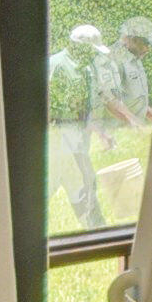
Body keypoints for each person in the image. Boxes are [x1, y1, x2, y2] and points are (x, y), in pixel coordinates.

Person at [50, 24, 107, 229]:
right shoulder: (56, 65)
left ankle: (98, 232)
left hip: (76, 140)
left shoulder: (86, 69)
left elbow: (85, 107)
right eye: (92, 50)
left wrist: (100, 132)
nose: (94, 55)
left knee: (85, 183)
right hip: (57, 140)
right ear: (79, 46)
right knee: (51, 186)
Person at [96, 18, 152, 140]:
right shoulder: (110, 60)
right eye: (146, 43)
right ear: (132, 40)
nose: (147, 49)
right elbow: (107, 97)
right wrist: (133, 122)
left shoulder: (133, 59)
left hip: (127, 134)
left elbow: (135, 101)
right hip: (111, 134)